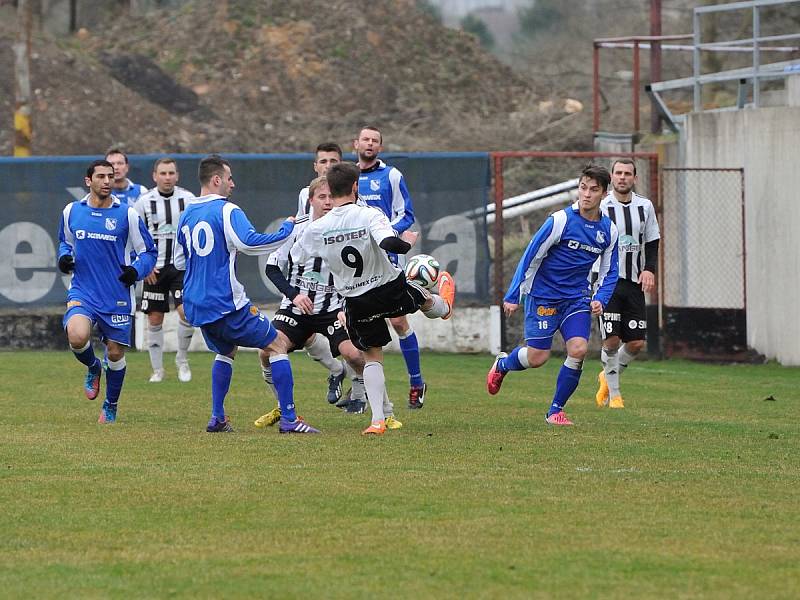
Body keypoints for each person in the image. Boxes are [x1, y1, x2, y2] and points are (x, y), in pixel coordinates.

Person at [302, 162, 455, 435]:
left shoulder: (316, 228)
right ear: (354, 187)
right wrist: (407, 241)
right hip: (387, 286)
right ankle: (444, 305)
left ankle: (377, 420)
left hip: (356, 299)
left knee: (372, 356)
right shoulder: (369, 214)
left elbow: (304, 258)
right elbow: (389, 244)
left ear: (331, 190)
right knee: (422, 299)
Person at [174, 155, 318, 434]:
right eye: (229, 179)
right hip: (225, 302)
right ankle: (289, 419)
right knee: (277, 344)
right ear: (216, 180)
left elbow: (180, 261)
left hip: (196, 303)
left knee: (226, 350)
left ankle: (217, 417)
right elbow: (249, 243)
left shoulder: (187, 213)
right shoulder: (226, 210)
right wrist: (288, 229)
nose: (232, 184)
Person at [486, 165, 619, 426]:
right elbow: (530, 256)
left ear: (604, 194)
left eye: (594, 190)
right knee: (538, 357)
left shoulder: (609, 231)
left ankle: (555, 410)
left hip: (576, 298)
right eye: (583, 187)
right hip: (544, 296)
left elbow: (610, 271)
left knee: (579, 350)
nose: (587, 194)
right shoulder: (560, 221)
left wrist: (600, 298)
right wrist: (514, 294)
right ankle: (503, 365)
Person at [254, 176, 385, 428]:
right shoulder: (295, 228)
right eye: (321, 197)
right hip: (296, 307)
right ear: (310, 200)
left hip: (333, 308)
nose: (327, 202)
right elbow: (272, 268)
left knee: (357, 355)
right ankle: (283, 407)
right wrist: (295, 295)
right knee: (266, 352)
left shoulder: (346, 227)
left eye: (330, 197)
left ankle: (377, 405)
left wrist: (349, 306)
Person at [57, 159, 157, 423]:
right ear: (88, 181)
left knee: (115, 353)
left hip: (117, 296)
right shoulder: (71, 211)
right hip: (83, 291)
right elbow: (65, 243)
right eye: (100, 176)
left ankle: (111, 405)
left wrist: (136, 270)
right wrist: (64, 258)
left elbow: (148, 253)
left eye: (109, 177)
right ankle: (92, 366)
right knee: (77, 336)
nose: (106, 181)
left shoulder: (128, 214)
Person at [354, 125, 428, 409]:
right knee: (359, 324)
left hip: (388, 254)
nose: (369, 144)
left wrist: (383, 232)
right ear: (356, 143)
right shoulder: (349, 176)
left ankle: (416, 383)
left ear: (380, 148)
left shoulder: (391, 176)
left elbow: (406, 215)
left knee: (398, 321)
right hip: (360, 259)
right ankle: (364, 392)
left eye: (375, 141)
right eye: (365, 139)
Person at [292, 142, 359, 409]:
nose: (328, 167)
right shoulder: (305, 196)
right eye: (323, 162)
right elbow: (300, 238)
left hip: (344, 286)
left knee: (355, 347)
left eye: (334, 162)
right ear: (315, 165)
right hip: (311, 287)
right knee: (304, 338)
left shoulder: (350, 197)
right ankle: (336, 372)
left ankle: (362, 396)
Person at [594, 158, 661, 409]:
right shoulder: (600, 206)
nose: (622, 177)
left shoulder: (645, 206)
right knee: (611, 340)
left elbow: (652, 240)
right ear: (611, 177)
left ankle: (606, 376)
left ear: (635, 178)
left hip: (634, 281)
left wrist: (649, 269)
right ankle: (615, 395)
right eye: (618, 173)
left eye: (628, 173)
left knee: (635, 343)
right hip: (606, 282)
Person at [133, 157, 197, 383]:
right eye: (163, 173)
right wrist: (144, 265)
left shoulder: (188, 199)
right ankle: (157, 369)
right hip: (155, 269)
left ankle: (182, 359)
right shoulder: (143, 202)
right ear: (155, 176)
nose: (167, 177)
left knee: (186, 314)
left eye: (171, 173)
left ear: (177, 175)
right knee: (155, 319)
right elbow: (134, 236)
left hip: (180, 267)